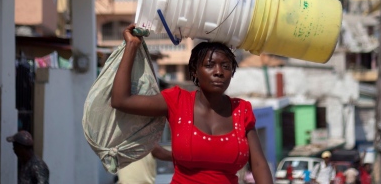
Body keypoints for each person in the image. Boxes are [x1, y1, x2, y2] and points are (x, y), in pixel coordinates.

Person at [111, 24, 273, 184]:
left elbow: (259, 165)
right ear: (195, 71)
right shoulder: (177, 101)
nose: (218, 72)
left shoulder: (242, 110)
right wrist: (131, 46)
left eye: (226, 66)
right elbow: (121, 100)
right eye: (209, 65)